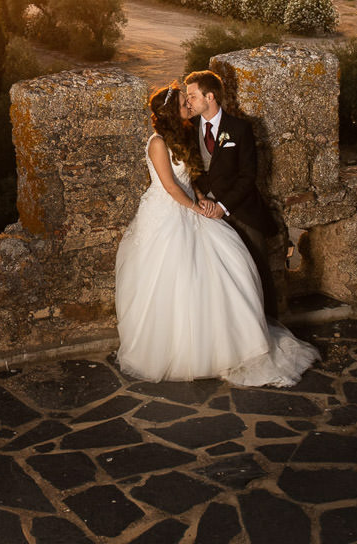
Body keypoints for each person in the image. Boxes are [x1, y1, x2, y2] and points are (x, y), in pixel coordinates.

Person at [115, 82, 318, 385]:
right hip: (166, 215)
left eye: (190, 98)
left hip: (193, 206)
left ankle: (237, 340)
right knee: (176, 279)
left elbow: (188, 179)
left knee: (226, 267)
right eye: (185, 101)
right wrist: (197, 208)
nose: (189, 104)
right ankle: (183, 352)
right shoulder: (157, 142)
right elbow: (170, 186)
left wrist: (200, 199)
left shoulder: (185, 134)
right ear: (172, 110)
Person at [182, 69, 285, 317]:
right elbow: (189, 171)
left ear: (210, 97)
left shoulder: (239, 129)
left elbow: (248, 176)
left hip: (241, 209)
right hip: (204, 212)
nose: (188, 102)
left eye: (192, 96)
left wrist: (223, 206)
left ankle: (267, 322)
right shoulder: (187, 129)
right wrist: (202, 199)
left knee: (256, 267)